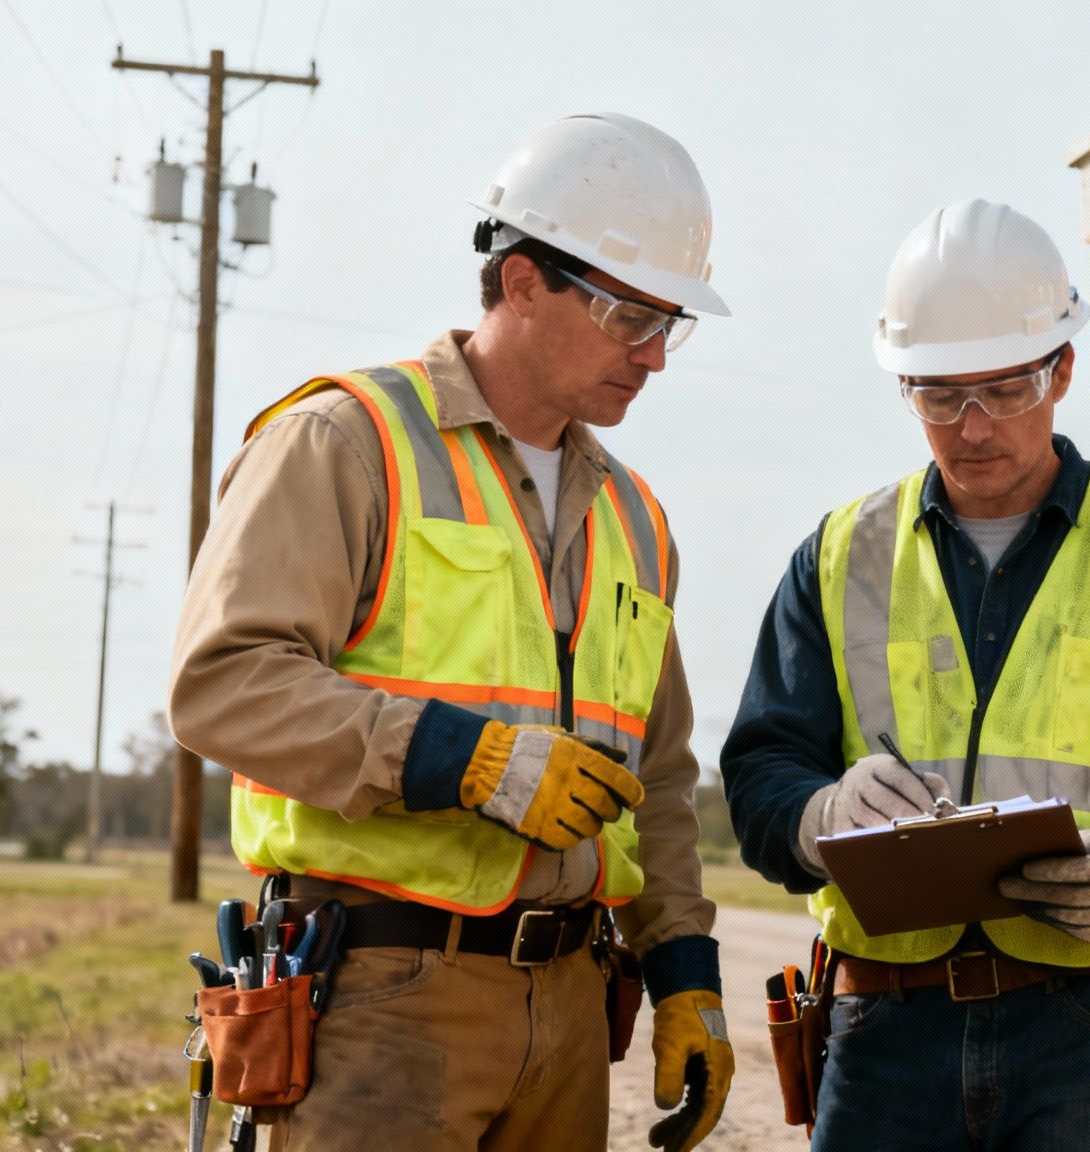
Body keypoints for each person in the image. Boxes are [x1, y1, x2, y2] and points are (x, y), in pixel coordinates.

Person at [169, 112, 734, 1151]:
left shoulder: (635, 520)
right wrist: (462, 759)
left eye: (670, 325)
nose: (652, 357)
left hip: (568, 1008)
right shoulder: (346, 442)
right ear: (522, 282)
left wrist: (683, 980)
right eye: (628, 317)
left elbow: (655, 779)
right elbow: (223, 683)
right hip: (380, 998)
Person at [719, 199, 1090, 1151]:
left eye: (1005, 390)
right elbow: (762, 775)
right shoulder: (839, 556)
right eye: (940, 396)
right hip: (883, 1027)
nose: (973, 427)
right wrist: (823, 817)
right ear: (904, 385)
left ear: (1062, 370)